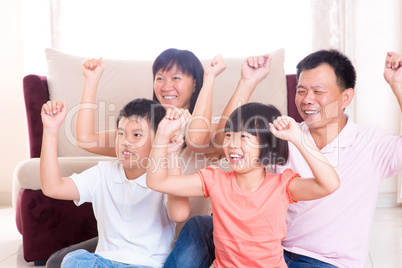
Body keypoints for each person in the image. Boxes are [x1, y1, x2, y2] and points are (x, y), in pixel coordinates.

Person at [166, 50, 402, 268]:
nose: (307, 99)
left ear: (346, 97)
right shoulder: (284, 133)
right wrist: (247, 82)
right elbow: (223, 141)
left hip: (324, 261)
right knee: (200, 227)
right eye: (301, 91)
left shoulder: (371, 143)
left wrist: (399, 86)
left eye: (318, 91)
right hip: (272, 249)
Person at [45, 48, 227, 268]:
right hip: (131, 238)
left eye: (176, 78)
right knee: (60, 261)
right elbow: (85, 139)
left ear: (195, 83)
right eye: (159, 78)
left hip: (175, 241)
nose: (166, 85)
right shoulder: (140, 125)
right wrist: (91, 81)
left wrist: (210, 79)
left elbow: (197, 136)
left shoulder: (206, 131)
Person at [146, 103, 340, 267]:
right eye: (229, 135)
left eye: (244, 137)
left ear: (267, 145)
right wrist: (162, 136)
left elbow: (329, 184)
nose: (232, 143)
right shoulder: (215, 179)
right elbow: (157, 181)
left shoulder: (282, 186)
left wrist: (299, 138)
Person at [40, 98, 190, 268]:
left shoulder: (166, 178)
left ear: (158, 141)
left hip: (146, 264)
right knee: (73, 259)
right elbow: (53, 188)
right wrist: (50, 130)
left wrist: (170, 152)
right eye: (121, 134)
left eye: (137, 135)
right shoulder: (103, 173)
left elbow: (180, 214)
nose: (126, 141)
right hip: (103, 261)